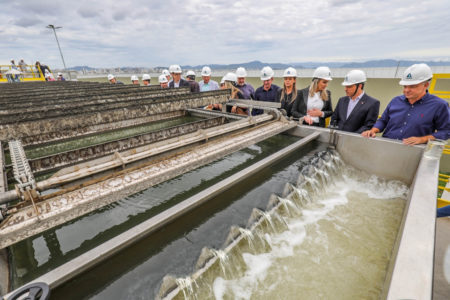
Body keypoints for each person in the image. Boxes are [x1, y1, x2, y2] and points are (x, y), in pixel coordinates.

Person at [362, 63, 449, 144]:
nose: (406, 90)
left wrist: (422, 139)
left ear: (426, 85)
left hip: (414, 153)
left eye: (412, 86)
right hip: (387, 147)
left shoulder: (439, 105)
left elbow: (446, 131)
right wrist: (373, 130)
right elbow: (383, 120)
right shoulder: (395, 101)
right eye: (405, 86)